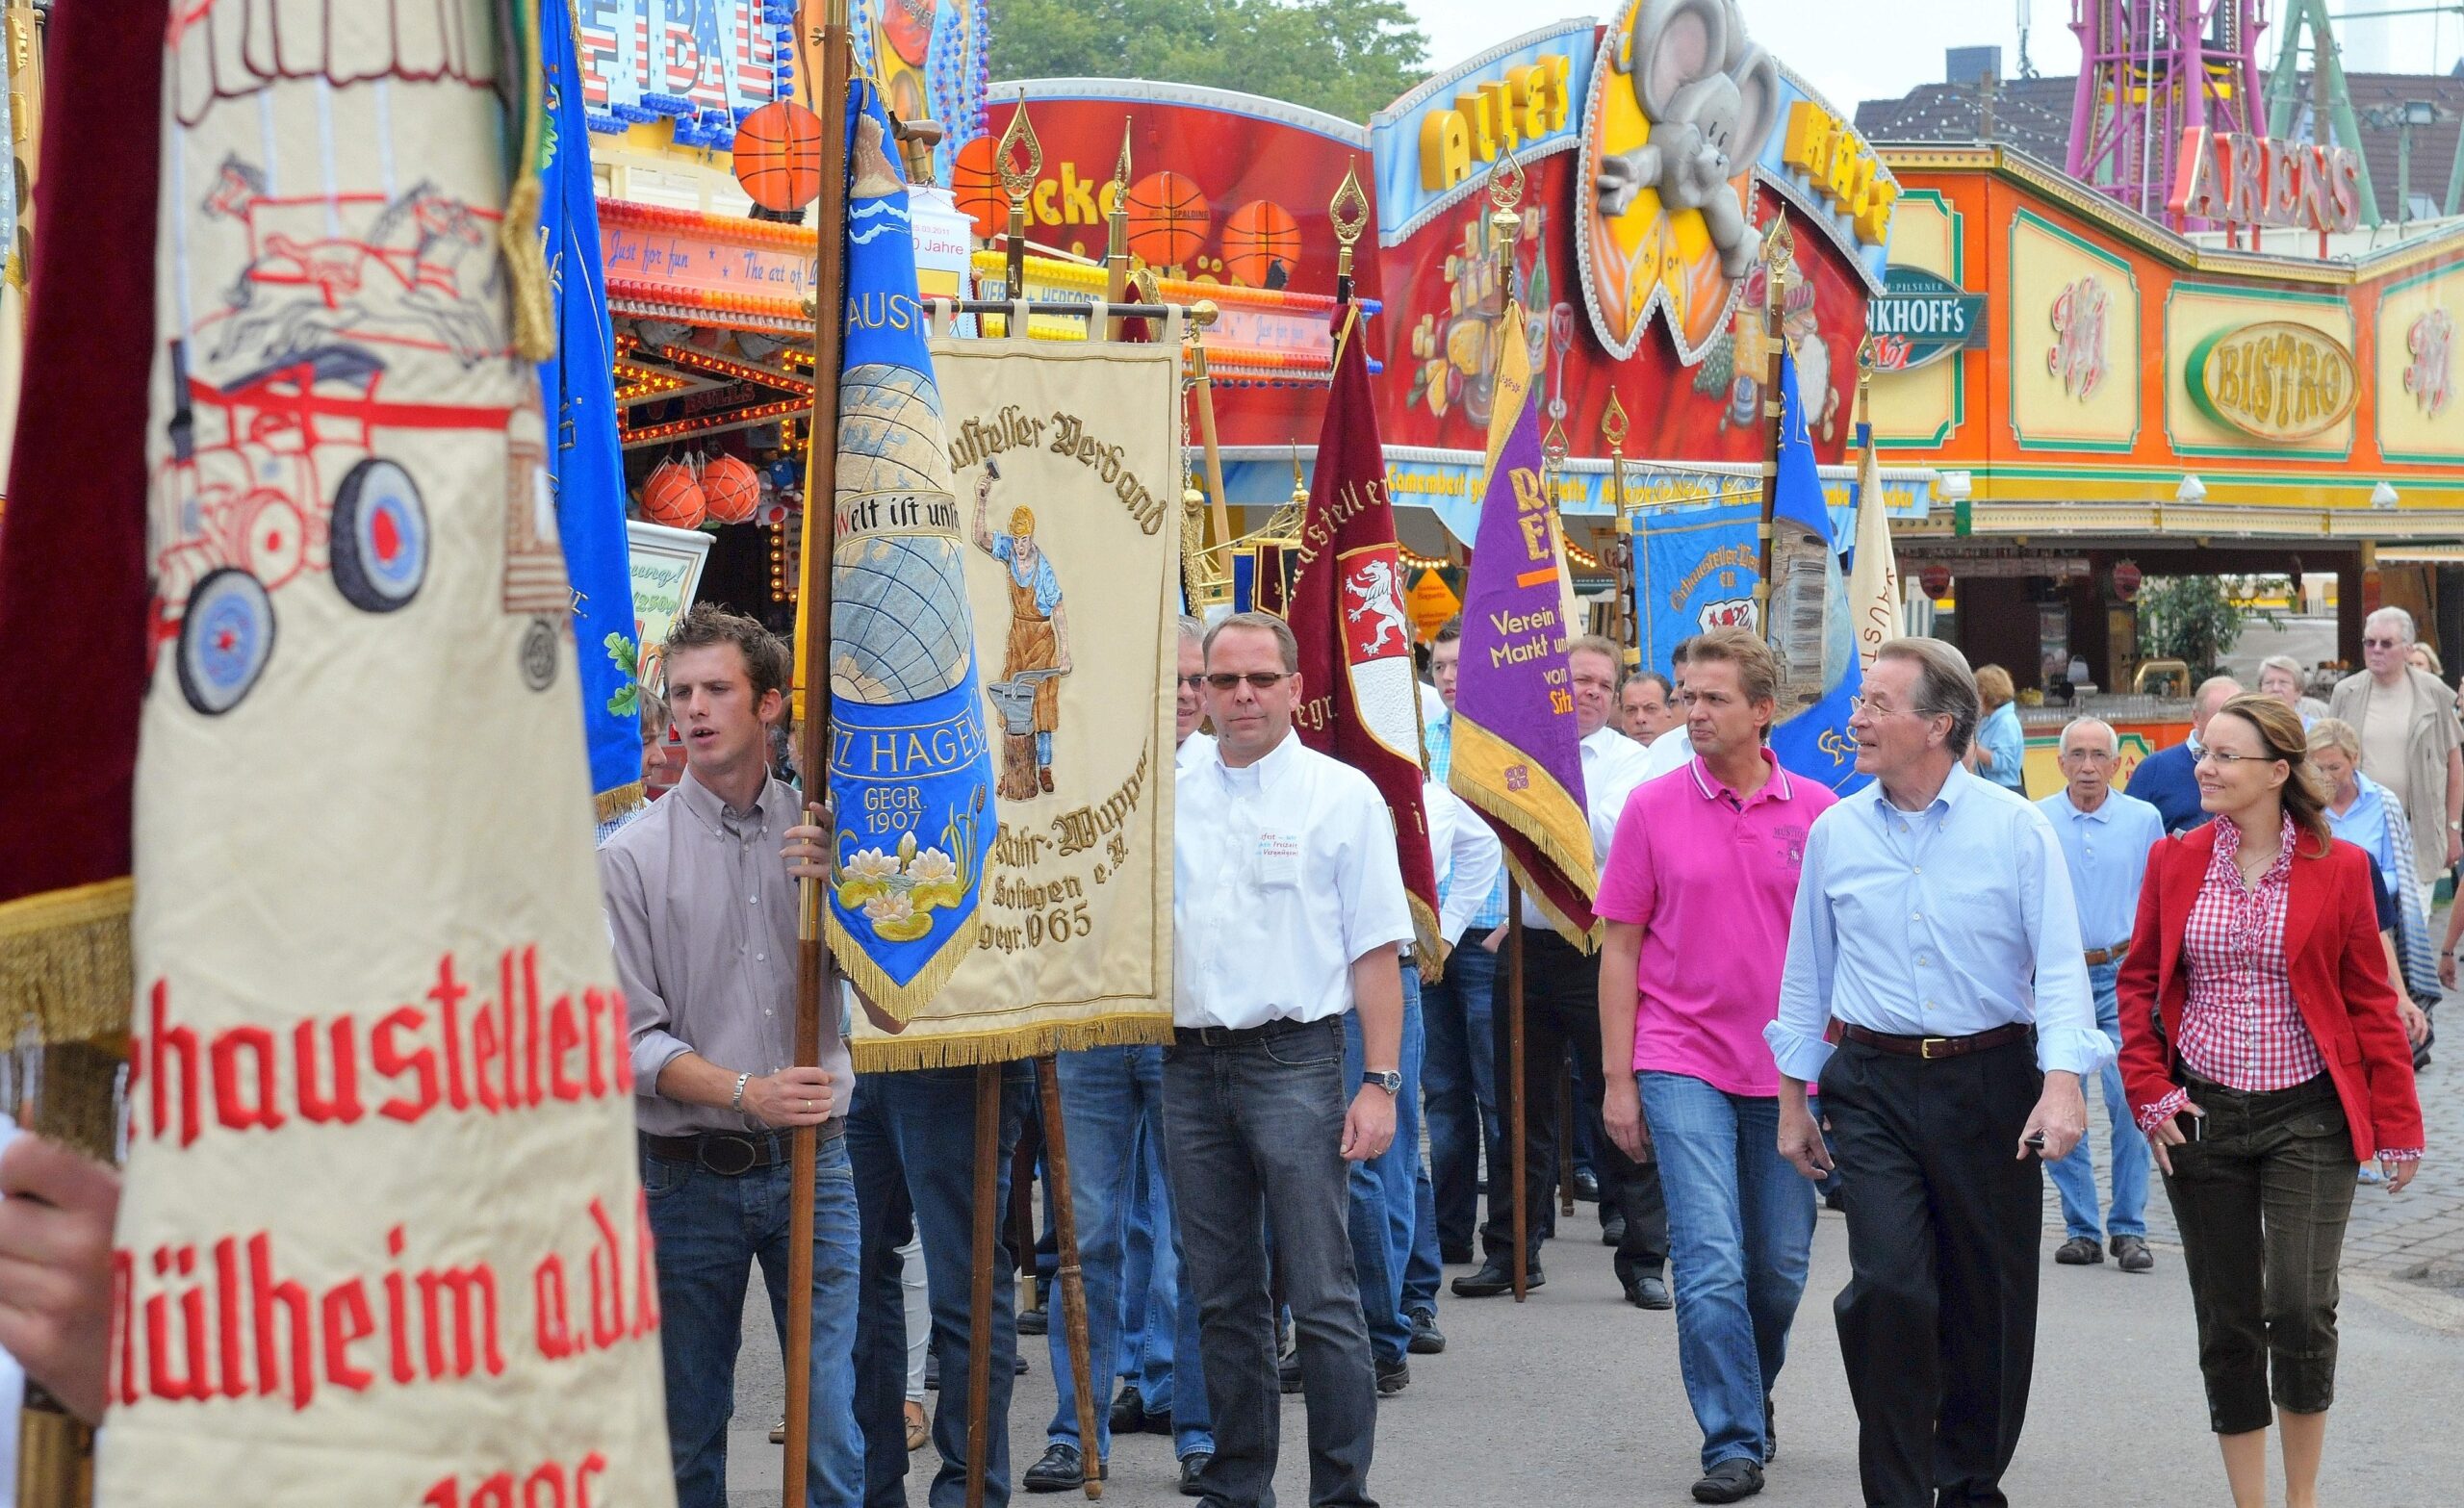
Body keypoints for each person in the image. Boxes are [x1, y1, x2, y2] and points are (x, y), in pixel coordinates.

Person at [1769, 636, 2103, 1508]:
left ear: (1940, 725)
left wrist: (2062, 1081)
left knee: (1987, 1297)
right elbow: (1806, 974)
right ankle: (1898, 1486)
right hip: (1872, 1084)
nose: (1857, 718)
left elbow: (2061, 970)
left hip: (1989, 1081)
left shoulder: (2015, 826)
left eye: (1879, 704)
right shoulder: (1835, 831)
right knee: (1887, 1285)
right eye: (1861, 702)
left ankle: (1968, 1477)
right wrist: (1793, 1099)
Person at [2118, 693, 2425, 1508]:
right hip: (2204, 1113)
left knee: (2297, 1305)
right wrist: (2149, 1090)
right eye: (2203, 754)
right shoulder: (2175, 858)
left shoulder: (2341, 866)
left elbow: (2370, 1004)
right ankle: (2251, 1502)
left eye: (2224, 756)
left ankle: (2302, 1497)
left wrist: (2397, 1123)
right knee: (2227, 1315)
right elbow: (2140, 981)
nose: (2204, 769)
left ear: (2277, 772)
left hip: (2310, 1113)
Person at [603, 604, 862, 1508]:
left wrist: (850, 900)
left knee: (831, 1424)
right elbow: (629, 1044)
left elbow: (899, 1012)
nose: (695, 710)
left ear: (772, 705)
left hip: (816, 1168)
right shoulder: (630, 858)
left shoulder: (826, 839)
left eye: (718, 689)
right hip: (686, 1176)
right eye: (681, 694)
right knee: (685, 1432)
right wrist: (747, 1091)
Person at [1168, 610, 1410, 1508]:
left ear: (1295, 690)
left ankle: (1340, 1491)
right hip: (1188, 1067)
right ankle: (1238, 1484)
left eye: (1258, 680)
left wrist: (1380, 1084)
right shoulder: (1166, 788)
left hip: (1295, 1061)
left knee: (1322, 1293)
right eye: (1219, 680)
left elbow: (1377, 953)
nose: (1237, 697)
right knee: (1223, 1294)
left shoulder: (1340, 795)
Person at [1596, 626, 1835, 1504]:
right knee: (1709, 1258)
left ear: (1764, 711)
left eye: (1713, 698)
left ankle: (1748, 1386)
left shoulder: (1817, 809)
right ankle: (1731, 1436)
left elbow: (1842, 950)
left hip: (1788, 1074)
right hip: (1677, 1057)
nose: (1693, 712)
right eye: (1687, 696)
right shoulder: (1652, 808)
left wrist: (1830, 1070)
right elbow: (1619, 949)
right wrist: (1620, 1080)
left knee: (1777, 1265)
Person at [1021, 616, 1218, 1495]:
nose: (1181, 695)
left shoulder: (1234, 781)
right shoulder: (1085, 773)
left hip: (1193, 1031)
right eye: (1166, 678)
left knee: (1198, 1238)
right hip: (1092, 1026)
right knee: (1085, 1237)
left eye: (1194, 680)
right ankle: (1077, 1431)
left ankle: (1202, 1431)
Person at [1455, 635, 1668, 1306]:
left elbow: (1602, 833)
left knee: (1621, 1101)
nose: (1591, 694)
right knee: (1518, 1106)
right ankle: (1514, 1250)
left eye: (1603, 685)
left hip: (1600, 948)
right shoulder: (1519, 750)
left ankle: (1643, 1260)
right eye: (1578, 681)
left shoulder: (1636, 762)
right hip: (1529, 942)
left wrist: (1533, 803)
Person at [2036, 718, 2167, 1273]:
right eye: (2078, 755)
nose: (2088, 766)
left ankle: (2130, 1228)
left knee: (2129, 1099)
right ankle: (2081, 1227)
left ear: (2117, 765)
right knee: (2060, 1100)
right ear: (2061, 763)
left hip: (2122, 973)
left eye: (2099, 756)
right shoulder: (2036, 819)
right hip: (2059, 977)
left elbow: (2160, 897)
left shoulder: (2143, 820)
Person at [1420, 619, 1510, 1267]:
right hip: (1431, 935)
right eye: (1439, 666)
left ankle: (1509, 1240)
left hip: (1488, 933)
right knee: (1443, 1092)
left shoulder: (1511, 744)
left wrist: (1517, 916)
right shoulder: (1422, 743)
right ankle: (1449, 1234)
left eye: (1459, 664)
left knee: (1496, 1091)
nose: (1449, 677)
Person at [2307, 719, 2438, 1052]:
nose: (2327, 775)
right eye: (2318, 767)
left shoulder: (2383, 803)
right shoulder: (2307, 807)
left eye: (2334, 766)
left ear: (2354, 759)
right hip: (2324, 915)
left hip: (2378, 911)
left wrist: (2360, 879)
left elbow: (2400, 869)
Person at [2326, 606, 2464, 915]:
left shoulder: (2434, 693)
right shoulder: (2346, 692)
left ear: (2408, 649)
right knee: (2361, 922)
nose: (2375, 650)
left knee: (2414, 924)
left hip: (2417, 828)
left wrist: (2453, 828)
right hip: (2359, 828)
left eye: (2386, 643)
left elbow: (2455, 765)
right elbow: (2323, 760)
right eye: (2369, 642)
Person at [973, 469, 1072, 797]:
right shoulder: (1009, 552)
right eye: (1015, 540)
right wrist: (981, 501)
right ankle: (1011, 770)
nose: (1018, 546)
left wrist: (1066, 653)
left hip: (1042, 641)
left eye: (1023, 540)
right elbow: (980, 538)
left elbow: (1057, 608)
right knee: (1012, 706)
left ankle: (1043, 767)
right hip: (1019, 637)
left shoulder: (1043, 571)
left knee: (1041, 706)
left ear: (1032, 537)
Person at [2132, 676, 2241, 834]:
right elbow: (2131, 832)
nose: (2232, 725)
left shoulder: (2253, 765)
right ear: (2196, 718)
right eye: (2221, 716)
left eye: (2239, 717)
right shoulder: (2155, 768)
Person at [1641, 640, 1699, 780]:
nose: (1686, 691)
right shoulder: (1661, 749)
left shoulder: (1758, 743)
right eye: (1681, 684)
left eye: (1694, 682)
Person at [1971, 664, 2027, 794]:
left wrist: (1971, 746)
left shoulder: (2006, 722)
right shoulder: (1987, 720)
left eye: (1978, 693)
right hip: (1988, 789)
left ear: (1988, 695)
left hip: (2003, 790)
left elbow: (2002, 762)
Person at [2257, 654, 2329, 729]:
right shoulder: (2251, 728)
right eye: (2269, 682)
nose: (2275, 688)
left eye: (2283, 682)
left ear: (2298, 692)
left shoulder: (2315, 730)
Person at [1620, 670, 1680, 746]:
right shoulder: (1609, 756)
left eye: (1651, 709)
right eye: (1631, 710)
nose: (1640, 719)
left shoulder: (1693, 755)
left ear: (1670, 712)